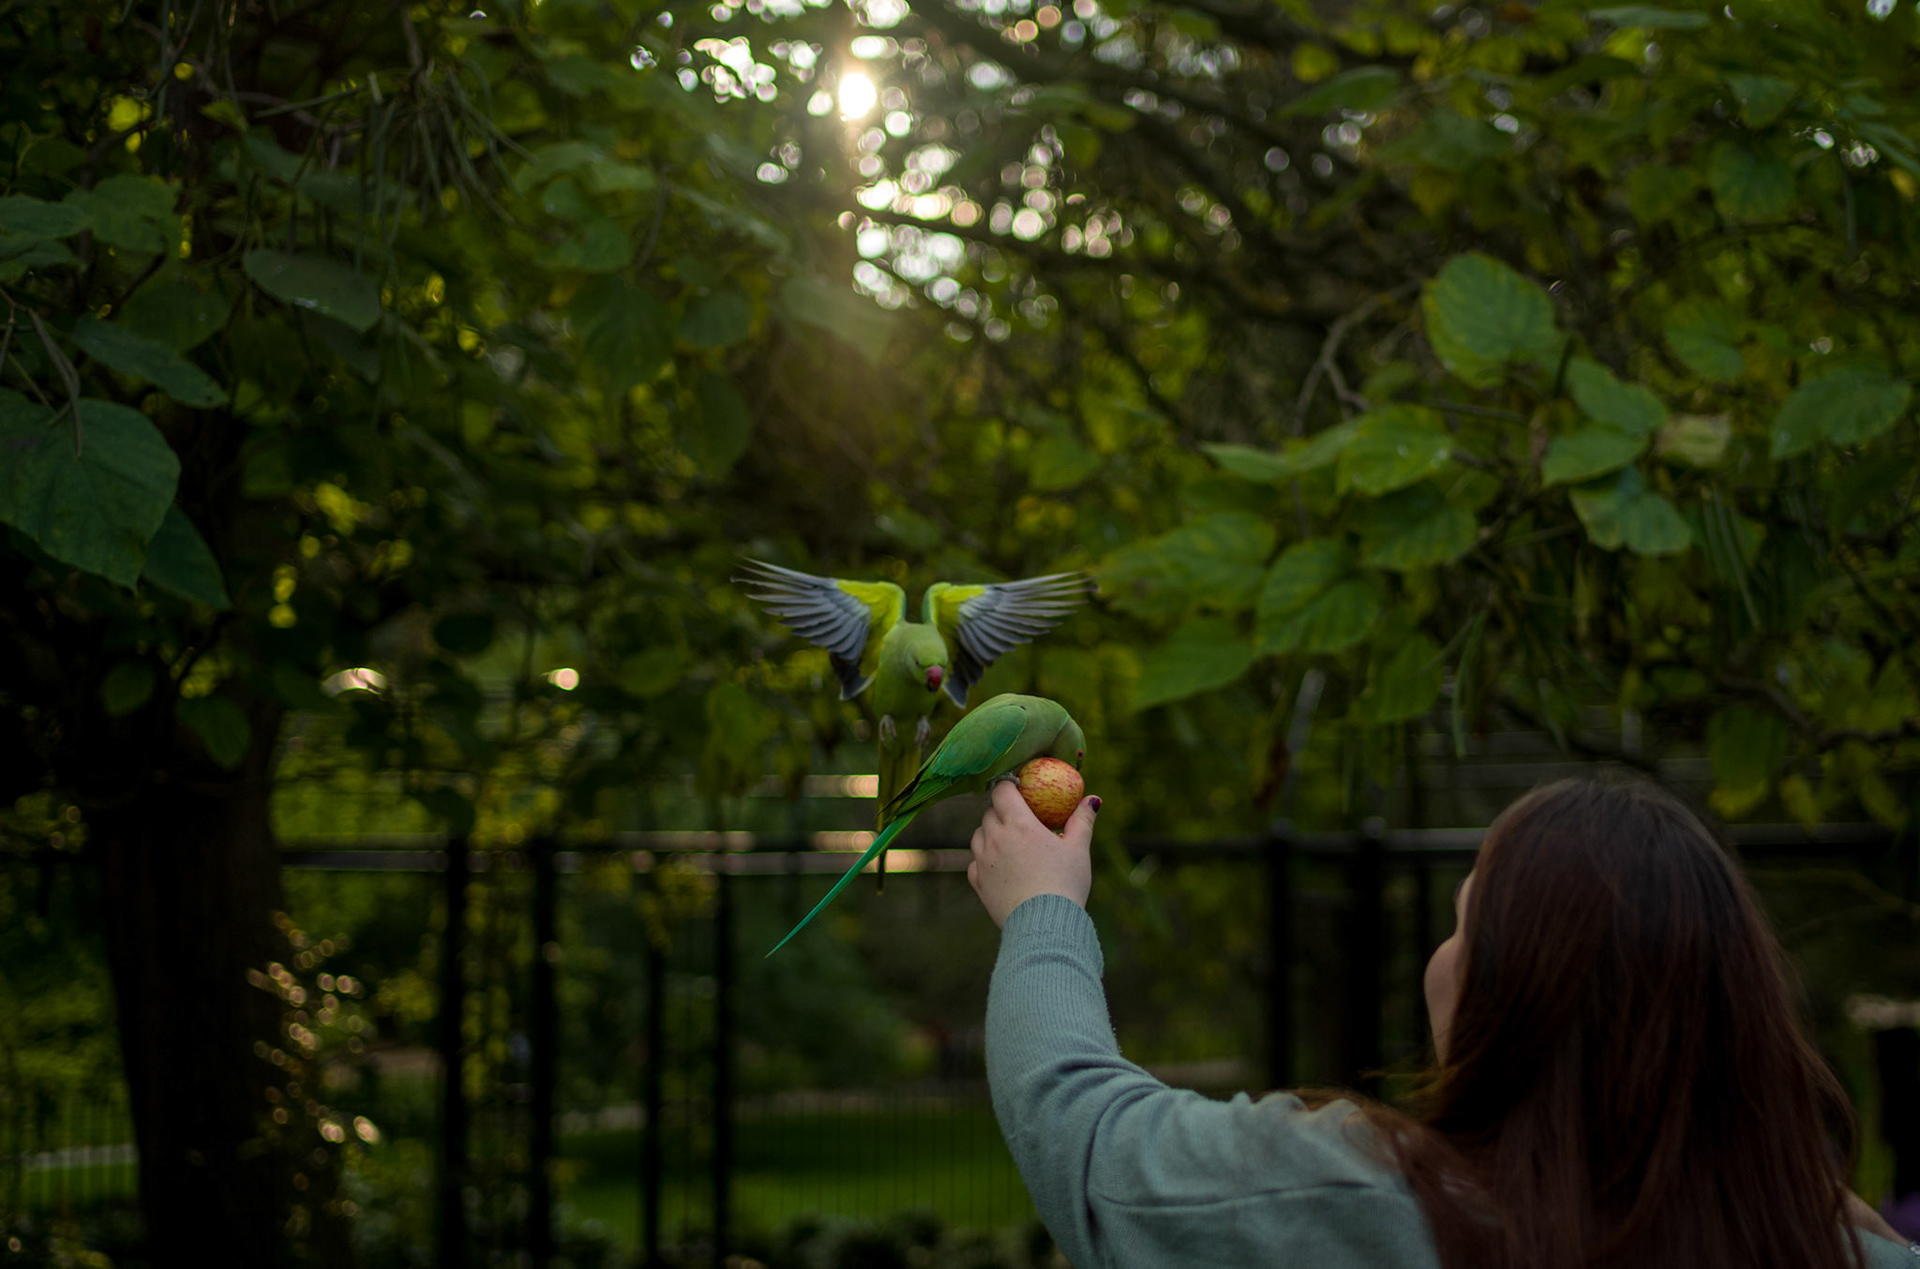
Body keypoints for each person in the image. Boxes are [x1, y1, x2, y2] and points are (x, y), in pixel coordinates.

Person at [968, 774, 1917, 1269]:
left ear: (1519, 991)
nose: (1445, 950)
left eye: (1465, 921)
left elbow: (1086, 1139)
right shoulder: (1829, 1248)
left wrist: (1042, 908)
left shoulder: (1370, 1204)